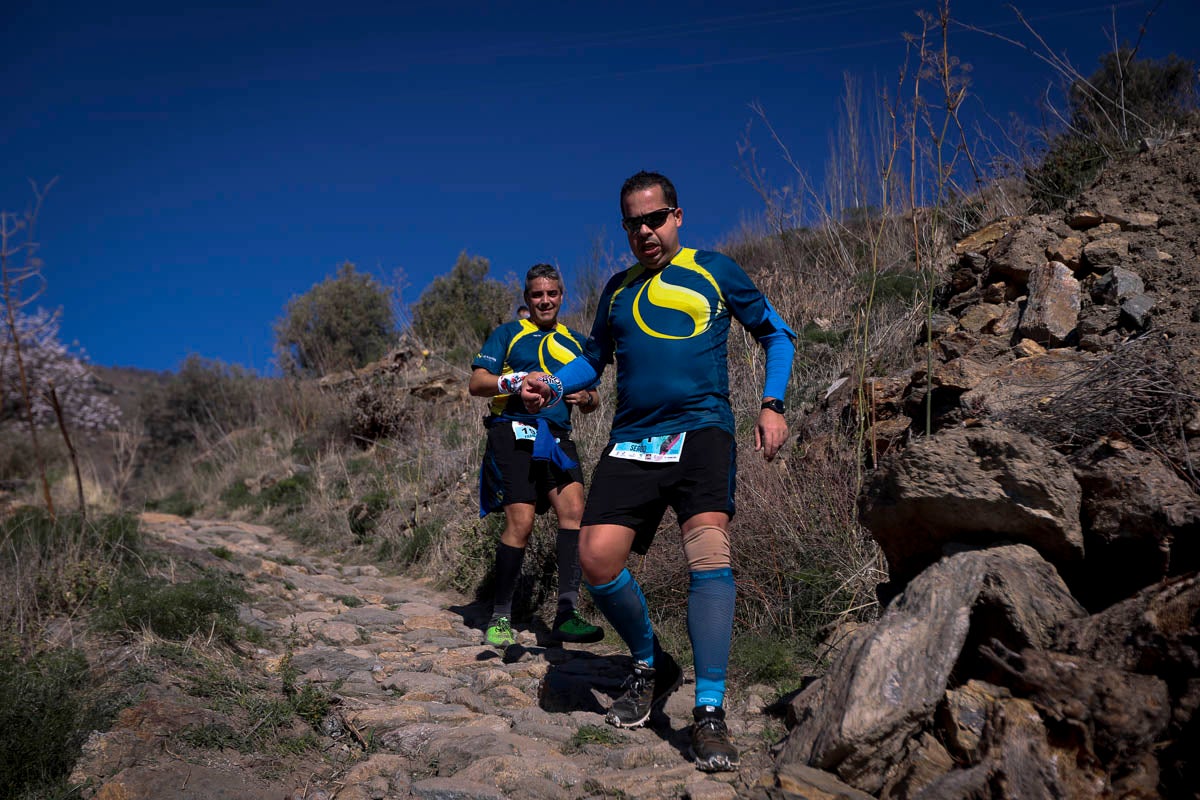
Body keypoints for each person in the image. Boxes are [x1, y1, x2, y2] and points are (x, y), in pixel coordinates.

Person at [521, 171, 795, 772]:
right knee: (595, 558)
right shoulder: (617, 290)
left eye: (654, 218)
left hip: (702, 431)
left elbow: (777, 335)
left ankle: (709, 711)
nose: (644, 231)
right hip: (633, 441)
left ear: (677, 216)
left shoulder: (714, 269)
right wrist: (555, 384)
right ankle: (653, 662)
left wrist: (772, 403)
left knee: (709, 555)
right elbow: (593, 359)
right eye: (633, 223)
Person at [470, 263, 606, 648]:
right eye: (537, 295)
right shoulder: (508, 333)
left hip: (557, 435)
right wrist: (516, 382)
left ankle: (566, 614)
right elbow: (477, 383)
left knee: (574, 512)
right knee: (522, 522)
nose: (545, 300)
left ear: (562, 296)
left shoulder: (577, 343)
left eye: (551, 294)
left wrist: (586, 398)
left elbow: (594, 399)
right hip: (512, 430)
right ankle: (500, 616)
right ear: (527, 299)